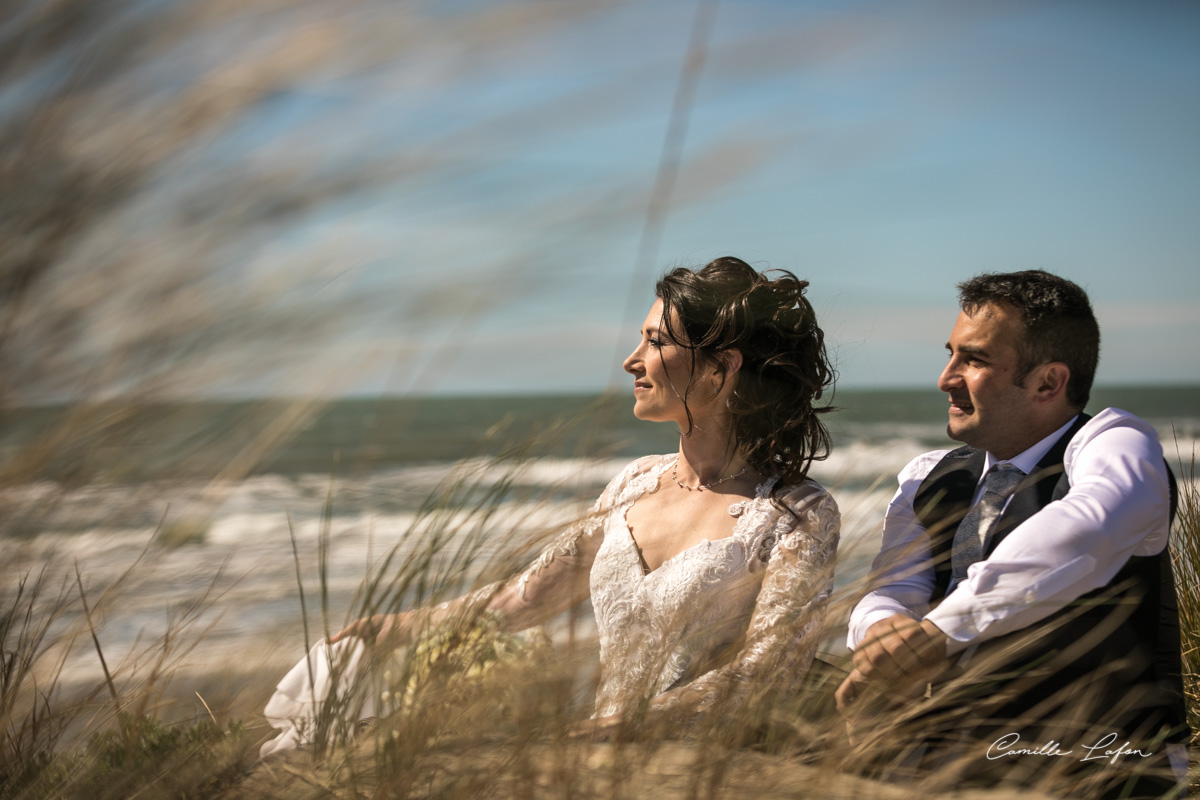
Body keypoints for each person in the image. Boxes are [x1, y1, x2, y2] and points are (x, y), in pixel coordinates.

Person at [261, 256, 840, 754]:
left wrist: (624, 729)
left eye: (656, 342)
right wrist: (396, 627)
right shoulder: (633, 483)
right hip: (594, 752)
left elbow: (769, 670)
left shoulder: (799, 513)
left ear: (723, 366)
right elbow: (525, 597)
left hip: (706, 765)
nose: (631, 359)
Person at [836, 270, 1188, 798]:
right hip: (935, 773)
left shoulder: (1114, 445)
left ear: (1048, 382)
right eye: (950, 354)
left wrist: (936, 637)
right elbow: (893, 588)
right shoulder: (928, 475)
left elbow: (1085, 527)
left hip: (1104, 774)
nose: (945, 377)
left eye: (972, 360)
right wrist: (882, 632)